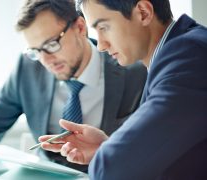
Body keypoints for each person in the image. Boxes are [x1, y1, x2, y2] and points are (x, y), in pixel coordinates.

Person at [0, 0, 147, 173]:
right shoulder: (28, 68)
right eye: (36, 51)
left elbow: (148, 151)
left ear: (80, 27)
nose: (45, 60)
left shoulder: (134, 72)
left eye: (51, 44)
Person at [40, 0, 207, 179]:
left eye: (103, 27)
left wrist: (111, 154)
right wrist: (106, 146)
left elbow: (111, 167)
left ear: (143, 12)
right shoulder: (179, 52)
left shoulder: (188, 58)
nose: (101, 45)